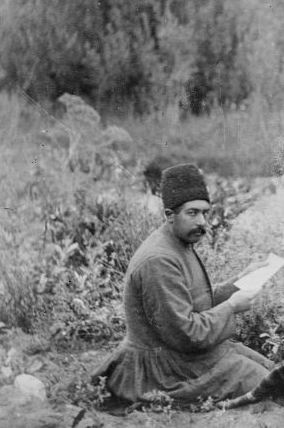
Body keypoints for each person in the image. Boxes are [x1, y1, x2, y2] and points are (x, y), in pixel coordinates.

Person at [92, 163, 274, 404]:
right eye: (192, 213)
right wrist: (231, 306)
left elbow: (194, 301)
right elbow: (187, 335)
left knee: (268, 368)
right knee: (259, 379)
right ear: (169, 215)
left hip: (177, 355)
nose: (202, 222)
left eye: (205, 213)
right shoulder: (159, 260)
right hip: (159, 369)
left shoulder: (177, 243)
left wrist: (240, 282)